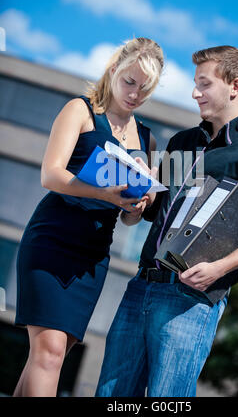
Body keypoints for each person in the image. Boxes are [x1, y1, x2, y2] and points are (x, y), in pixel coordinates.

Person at [95, 45, 238, 397]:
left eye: (204, 83)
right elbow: (159, 209)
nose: (194, 92)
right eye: (194, 83)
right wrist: (140, 192)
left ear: (235, 86)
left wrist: (220, 268)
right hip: (141, 286)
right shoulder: (182, 142)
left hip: (192, 298)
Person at [13, 37, 164, 397]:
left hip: (93, 256)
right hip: (52, 239)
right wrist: (102, 192)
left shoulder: (147, 140)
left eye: (145, 89)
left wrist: (135, 206)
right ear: (113, 70)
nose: (134, 95)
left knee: (52, 355)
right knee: (48, 354)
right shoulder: (80, 110)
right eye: (129, 82)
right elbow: (50, 174)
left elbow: (128, 219)